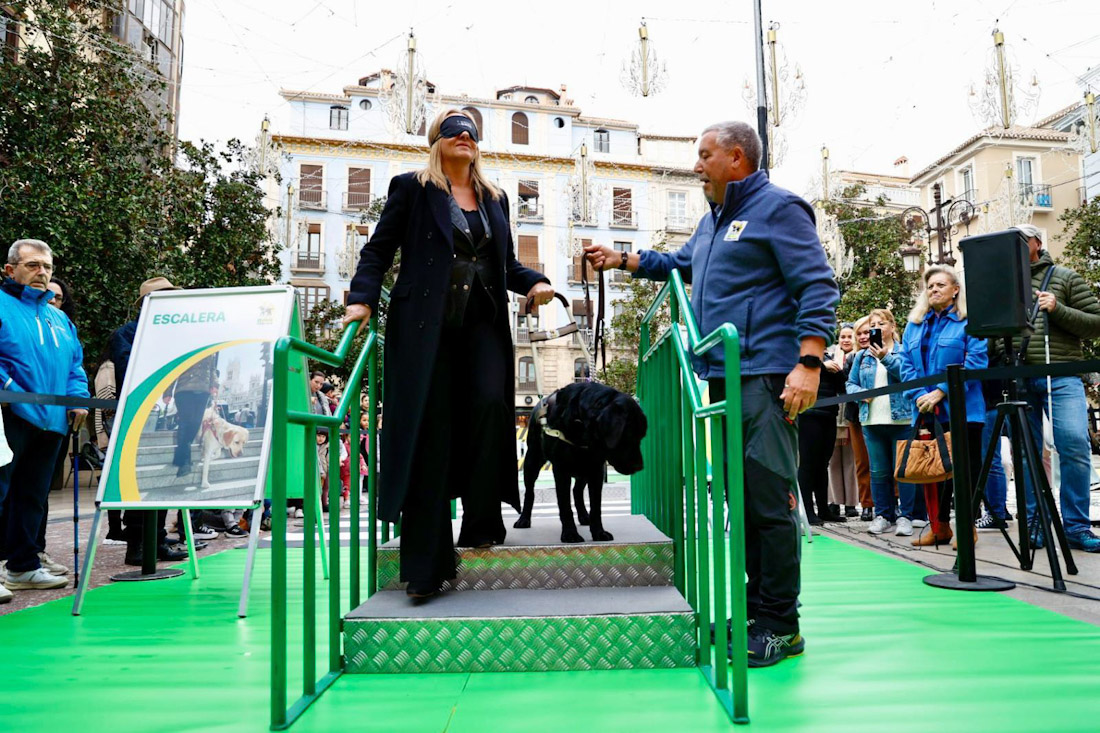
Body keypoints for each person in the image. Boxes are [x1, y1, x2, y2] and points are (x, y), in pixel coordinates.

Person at [585, 121, 839, 667]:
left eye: (704, 156)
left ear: (737, 159)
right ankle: (758, 611)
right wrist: (622, 260)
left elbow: (816, 285)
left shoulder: (780, 208)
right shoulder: (711, 224)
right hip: (724, 376)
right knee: (741, 505)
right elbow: (677, 265)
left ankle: (782, 624)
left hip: (768, 377)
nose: (696, 166)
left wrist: (810, 362)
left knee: (769, 504)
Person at [343, 109, 554, 601]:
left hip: (482, 327)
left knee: (489, 407)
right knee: (430, 435)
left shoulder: (495, 199)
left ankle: (480, 520)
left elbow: (505, 264)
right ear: (436, 142)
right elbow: (378, 250)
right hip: (424, 330)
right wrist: (362, 298)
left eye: (472, 132)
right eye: (454, 131)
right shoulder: (412, 189)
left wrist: (536, 282)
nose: (465, 136)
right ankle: (426, 565)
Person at [0, 239, 88, 592]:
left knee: (32, 496)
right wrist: (10, 389)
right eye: (33, 265)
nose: (42, 273)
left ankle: (23, 567)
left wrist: (78, 400)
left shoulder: (59, 318)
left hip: (52, 420)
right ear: (10, 270)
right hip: (8, 413)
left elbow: (74, 364)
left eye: (47, 267)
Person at [1007, 225, 1100, 552]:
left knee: (1073, 443)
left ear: (1037, 243)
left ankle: (1076, 527)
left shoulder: (1066, 277)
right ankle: (1034, 526)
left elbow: (1096, 322)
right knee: (1027, 454)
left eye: (1020, 239)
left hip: (1061, 375)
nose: (1014, 246)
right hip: (1019, 377)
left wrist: (1058, 309)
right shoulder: (1005, 283)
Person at [898, 266, 988, 548]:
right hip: (925, 409)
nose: (934, 289)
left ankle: (967, 527)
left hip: (963, 410)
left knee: (965, 470)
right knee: (934, 471)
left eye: (940, 285)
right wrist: (920, 396)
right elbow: (906, 364)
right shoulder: (914, 324)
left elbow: (975, 362)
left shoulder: (967, 322)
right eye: (930, 286)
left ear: (955, 290)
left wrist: (940, 392)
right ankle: (940, 527)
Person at [109, 277, 192, 566]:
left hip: (168, 416)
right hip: (139, 417)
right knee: (138, 482)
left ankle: (155, 541)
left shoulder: (172, 335)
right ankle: (136, 545)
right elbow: (129, 371)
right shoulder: (126, 334)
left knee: (161, 479)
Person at [846, 309, 918, 536]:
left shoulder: (903, 351)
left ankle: (906, 516)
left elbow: (908, 376)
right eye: (872, 324)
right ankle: (883, 515)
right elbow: (850, 384)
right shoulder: (861, 356)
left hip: (902, 420)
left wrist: (885, 357)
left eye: (881, 323)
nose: (876, 328)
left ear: (892, 327)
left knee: (903, 472)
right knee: (878, 471)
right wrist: (860, 393)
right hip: (872, 420)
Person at [798, 322, 848, 525]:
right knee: (808, 464)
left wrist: (837, 369)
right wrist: (821, 365)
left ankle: (824, 509)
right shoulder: (801, 352)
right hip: (808, 415)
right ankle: (808, 511)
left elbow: (841, 386)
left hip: (829, 414)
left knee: (822, 464)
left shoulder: (830, 356)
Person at [826, 324, 860, 518]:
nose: (846, 340)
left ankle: (851, 503)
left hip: (850, 415)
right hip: (833, 413)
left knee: (850, 460)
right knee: (833, 460)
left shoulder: (859, 357)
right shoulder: (830, 358)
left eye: (849, 336)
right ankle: (834, 501)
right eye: (843, 336)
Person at [846, 317, 875, 521]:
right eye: (860, 333)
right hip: (856, 416)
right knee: (862, 462)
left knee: (883, 462)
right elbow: (849, 384)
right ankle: (867, 504)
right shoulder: (851, 359)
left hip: (882, 414)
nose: (864, 337)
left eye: (867, 332)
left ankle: (893, 502)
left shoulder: (886, 354)